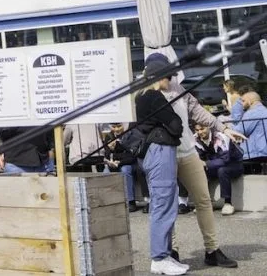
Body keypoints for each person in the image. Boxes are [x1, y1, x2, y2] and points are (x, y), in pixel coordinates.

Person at [147, 47, 242, 268]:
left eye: (168, 73)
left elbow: (198, 112)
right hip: (163, 156)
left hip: (188, 152)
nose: (168, 78)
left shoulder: (178, 88)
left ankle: (212, 250)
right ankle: (171, 251)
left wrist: (224, 128)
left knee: (203, 200)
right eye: (163, 74)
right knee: (167, 205)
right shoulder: (146, 95)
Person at [135, 53, 187, 275]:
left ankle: (164, 255)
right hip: (160, 152)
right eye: (168, 77)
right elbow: (176, 126)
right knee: (164, 204)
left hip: (152, 153)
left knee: (163, 202)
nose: (170, 81)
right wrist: (173, 124)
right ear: (159, 77)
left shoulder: (140, 96)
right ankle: (159, 258)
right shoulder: (154, 97)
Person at [194, 123, 243, 216]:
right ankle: (205, 203)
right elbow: (199, 158)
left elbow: (225, 160)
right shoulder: (196, 139)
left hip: (234, 164)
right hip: (215, 165)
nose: (199, 132)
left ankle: (228, 203)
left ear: (209, 127)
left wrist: (206, 163)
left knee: (222, 170)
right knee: (200, 171)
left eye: (202, 129)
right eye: (197, 130)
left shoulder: (220, 137)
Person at [104, 122, 142, 212]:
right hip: (116, 162)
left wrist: (117, 158)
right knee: (105, 173)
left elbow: (131, 156)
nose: (116, 129)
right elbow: (107, 154)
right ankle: (110, 202)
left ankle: (130, 200)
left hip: (128, 163)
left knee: (125, 170)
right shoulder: (109, 136)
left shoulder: (130, 135)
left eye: (119, 126)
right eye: (114, 127)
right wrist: (111, 156)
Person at [229, 89, 267, 159]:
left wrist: (227, 127)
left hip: (256, 154)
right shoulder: (264, 110)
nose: (242, 104)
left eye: (243, 101)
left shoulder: (252, 112)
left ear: (250, 101)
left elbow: (238, 131)